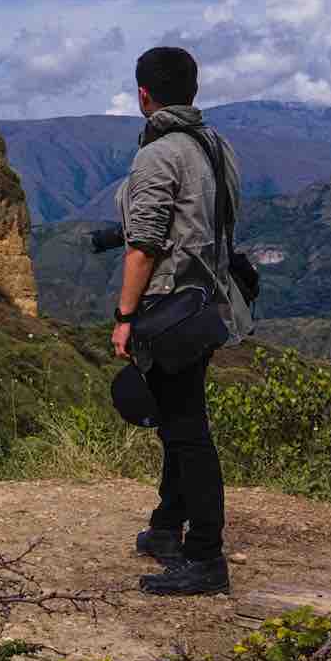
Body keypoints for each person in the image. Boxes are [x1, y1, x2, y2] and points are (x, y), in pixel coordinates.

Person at [111, 46, 248, 597]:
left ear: (144, 94)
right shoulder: (216, 145)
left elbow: (143, 247)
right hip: (209, 305)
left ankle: (206, 555)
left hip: (170, 309)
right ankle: (167, 527)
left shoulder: (158, 155)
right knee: (176, 418)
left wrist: (125, 317)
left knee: (187, 431)